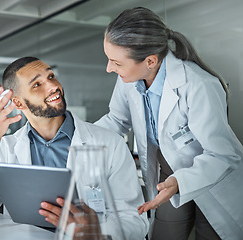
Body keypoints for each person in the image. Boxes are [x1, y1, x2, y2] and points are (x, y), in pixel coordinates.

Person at [0, 57, 149, 239]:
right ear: (18, 102)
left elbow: (136, 220)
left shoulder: (109, 143)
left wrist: (96, 232)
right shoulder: (6, 149)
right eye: (37, 84)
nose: (53, 85)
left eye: (51, 76)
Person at [95, 6, 243, 240]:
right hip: (167, 172)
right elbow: (116, 121)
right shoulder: (129, 78)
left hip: (214, 175)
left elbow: (222, 154)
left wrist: (178, 181)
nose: (109, 68)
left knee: (211, 233)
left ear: (151, 60)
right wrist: (75, 140)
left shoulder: (198, 85)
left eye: (116, 62)